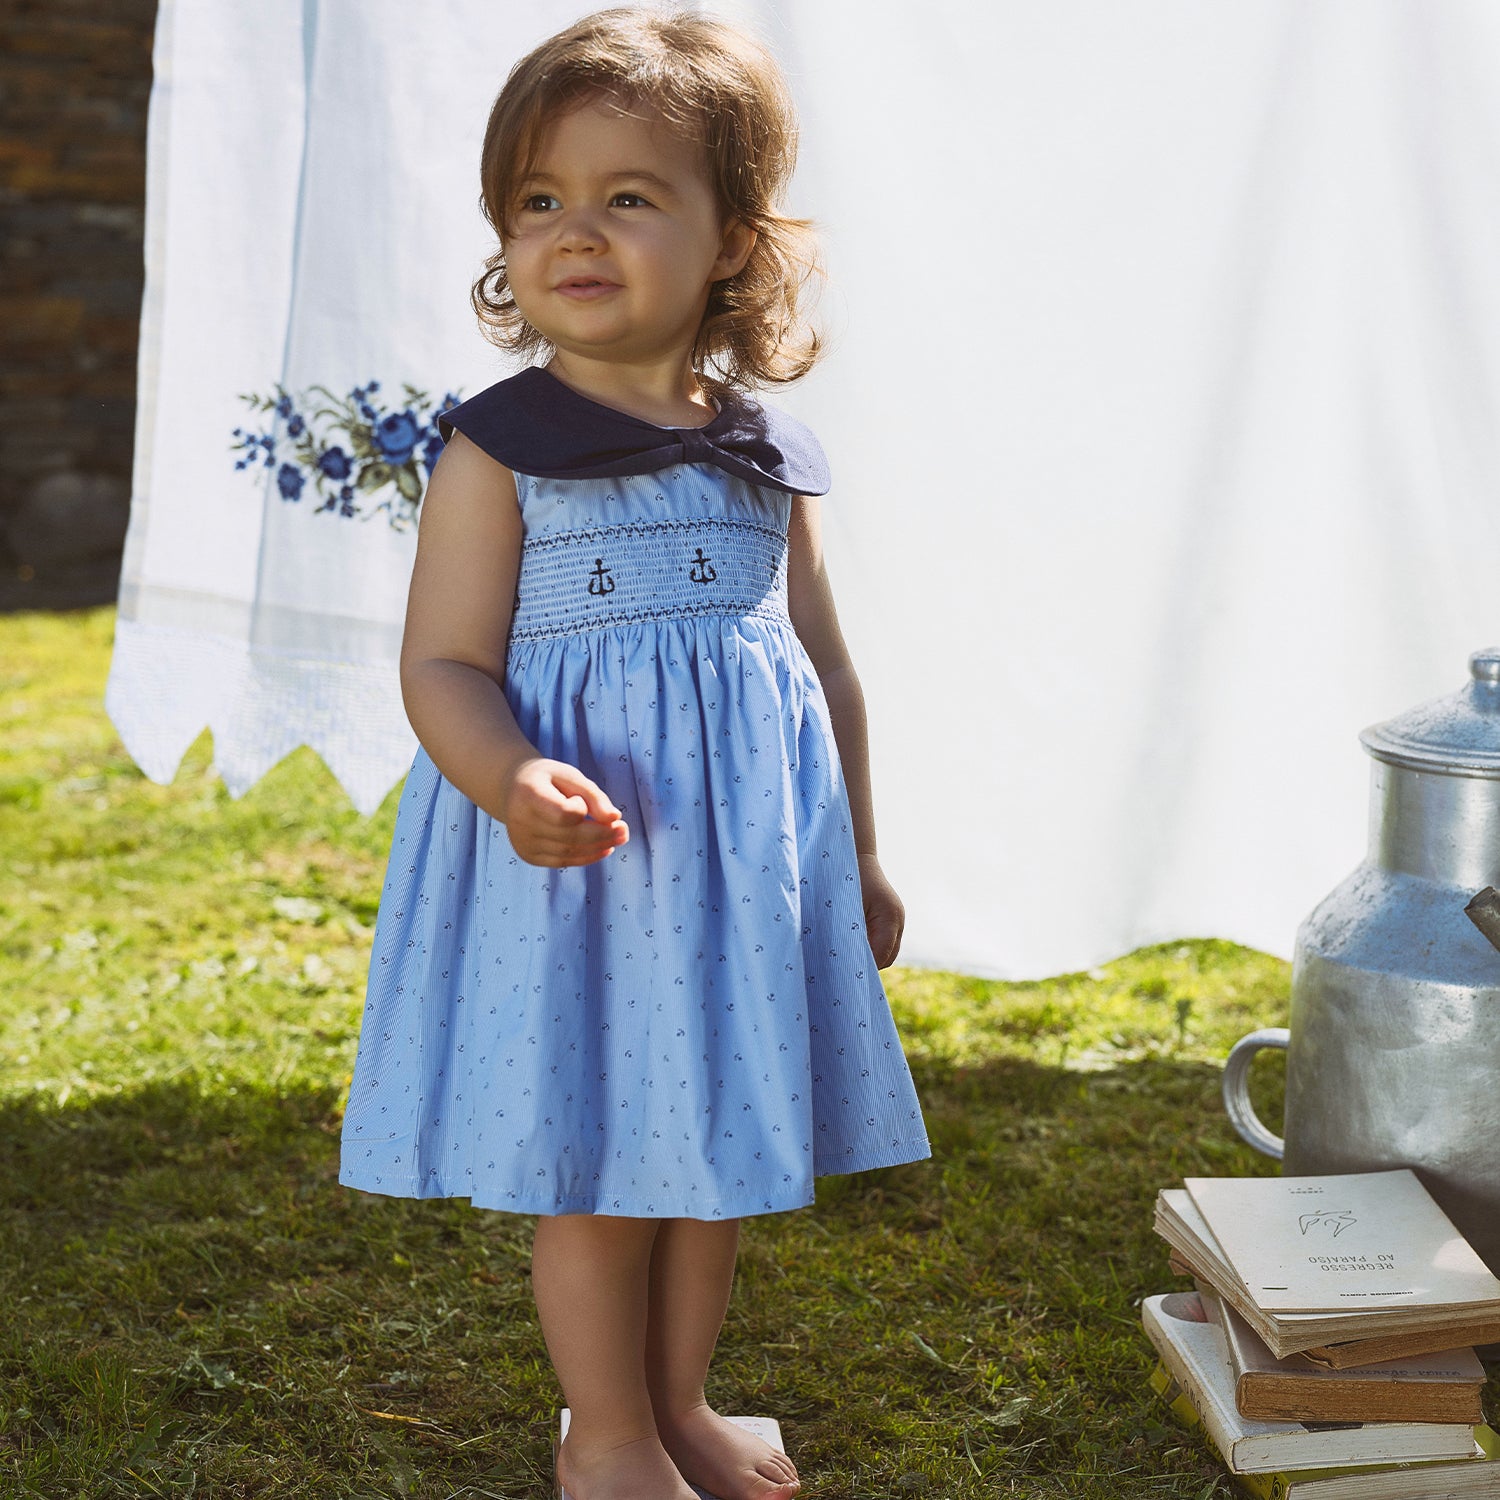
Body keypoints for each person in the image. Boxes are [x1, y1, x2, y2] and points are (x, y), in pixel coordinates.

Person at [338, 10, 931, 1498]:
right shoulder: (500, 446)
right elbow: (444, 664)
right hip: (582, 881)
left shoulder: (761, 453)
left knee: (710, 1152)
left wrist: (851, 852)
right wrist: (507, 778)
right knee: (604, 1164)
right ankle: (604, 1429)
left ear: (733, 238)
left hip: (730, 883)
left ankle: (682, 1407)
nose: (573, 232)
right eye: (540, 200)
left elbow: (824, 666)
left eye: (627, 196)